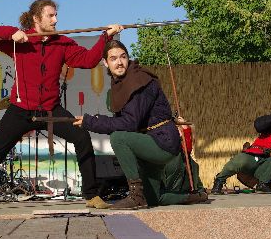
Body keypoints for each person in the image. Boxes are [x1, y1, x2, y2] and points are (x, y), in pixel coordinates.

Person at [0, 0, 123, 211]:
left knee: (82, 138)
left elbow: (88, 60)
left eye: (56, 15)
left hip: (51, 109)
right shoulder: (20, 41)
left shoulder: (62, 43)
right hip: (21, 110)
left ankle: (92, 195)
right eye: (50, 15)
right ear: (36, 18)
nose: (55, 20)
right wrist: (11, 33)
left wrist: (106, 36)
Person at [76, 40, 206, 209]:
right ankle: (193, 196)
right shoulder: (121, 82)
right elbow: (127, 119)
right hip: (149, 140)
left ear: (128, 58)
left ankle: (136, 195)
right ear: (105, 63)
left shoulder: (139, 81)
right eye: (113, 58)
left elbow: (130, 123)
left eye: (123, 57)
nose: (119, 62)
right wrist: (94, 120)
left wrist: (92, 122)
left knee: (118, 138)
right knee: (153, 198)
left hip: (162, 141)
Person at [210, 114, 271, 195]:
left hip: (269, 160)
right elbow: (258, 125)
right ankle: (219, 181)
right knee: (240, 161)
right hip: (255, 153)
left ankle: (263, 185)